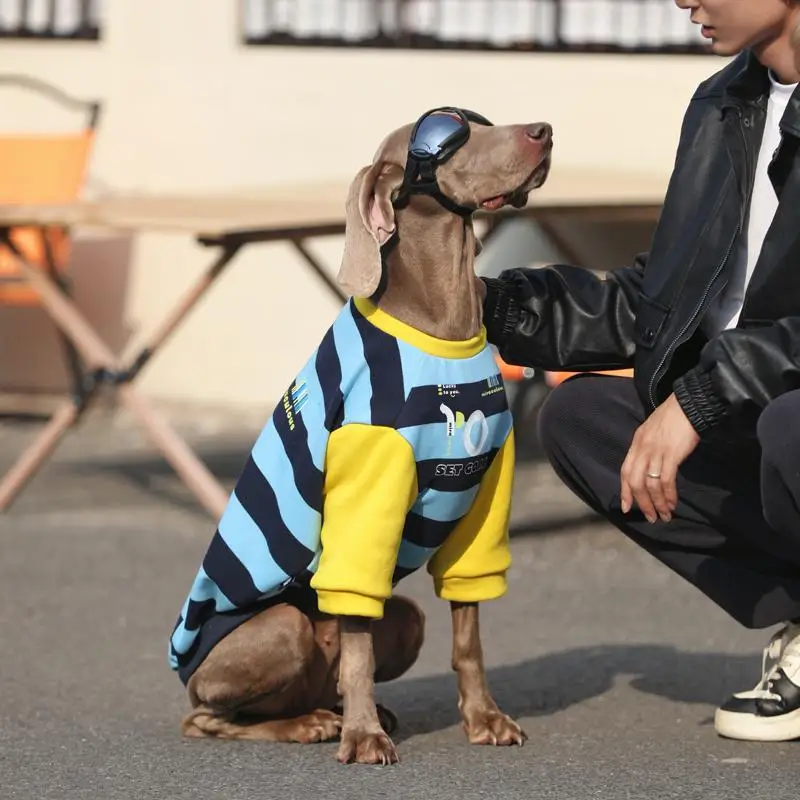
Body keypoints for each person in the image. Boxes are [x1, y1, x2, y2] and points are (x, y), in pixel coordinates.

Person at [479, 0, 800, 743]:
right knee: (581, 420)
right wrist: (492, 306)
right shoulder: (725, 101)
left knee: (792, 426)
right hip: (750, 398)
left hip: (779, 405)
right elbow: (666, 298)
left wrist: (699, 398)